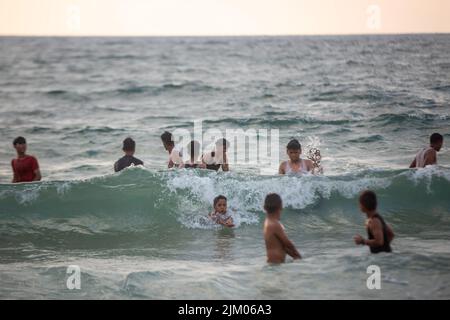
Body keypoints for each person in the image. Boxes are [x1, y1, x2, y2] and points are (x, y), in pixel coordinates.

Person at [263, 193, 301, 263]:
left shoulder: (268, 222)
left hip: (274, 264)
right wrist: (299, 257)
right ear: (280, 207)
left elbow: (283, 246)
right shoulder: (275, 224)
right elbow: (287, 243)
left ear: (264, 207)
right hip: (276, 264)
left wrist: (294, 256)